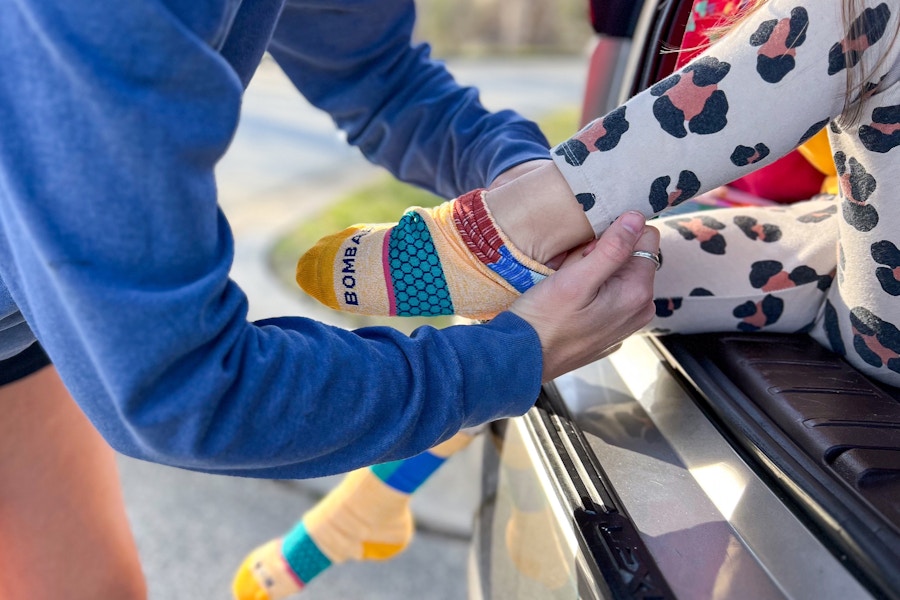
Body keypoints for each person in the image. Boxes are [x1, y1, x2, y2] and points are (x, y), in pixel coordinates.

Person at [0, 2, 660, 598]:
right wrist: (511, 357)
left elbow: (378, 73)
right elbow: (185, 388)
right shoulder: (96, 19)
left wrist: (519, 176)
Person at [297, 0, 900, 390]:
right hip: (850, 271)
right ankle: (515, 256)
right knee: (586, 275)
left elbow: (385, 81)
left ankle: (499, 238)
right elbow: (378, 80)